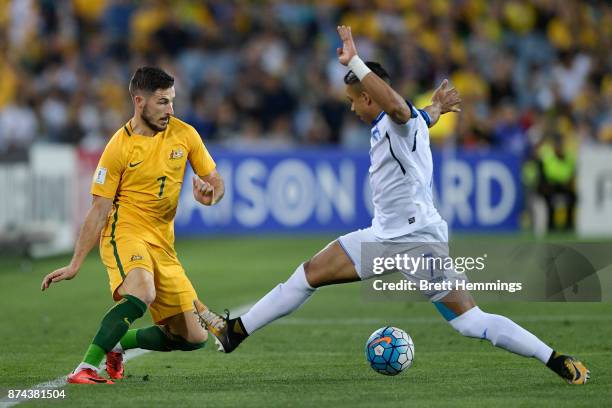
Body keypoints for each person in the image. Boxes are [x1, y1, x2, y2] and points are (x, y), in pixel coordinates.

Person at [197, 26, 590, 385]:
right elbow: (423, 116)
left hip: (418, 241)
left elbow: (403, 111)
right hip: (383, 236)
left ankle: (553, 358)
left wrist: (354, 61)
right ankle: (236, 332)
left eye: (354, 100)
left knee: (470, 321)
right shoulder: (404, 120)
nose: (352, 108)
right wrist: (437, 107)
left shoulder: (396, 119)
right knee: (308, 274)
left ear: (370, 96)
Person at [41, 66, 224, 384]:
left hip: (163, 242)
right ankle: (86, 367)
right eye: (162, 102)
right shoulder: (118, 147)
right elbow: (98, 210)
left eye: (172, 101)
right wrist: (75, 264)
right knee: (142, 291)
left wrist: (211, 196)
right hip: (125, 232)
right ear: (139, 101)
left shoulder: (185, 134)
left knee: (194, 337)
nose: (170, 110)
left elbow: (215, 181)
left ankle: (118, 341)